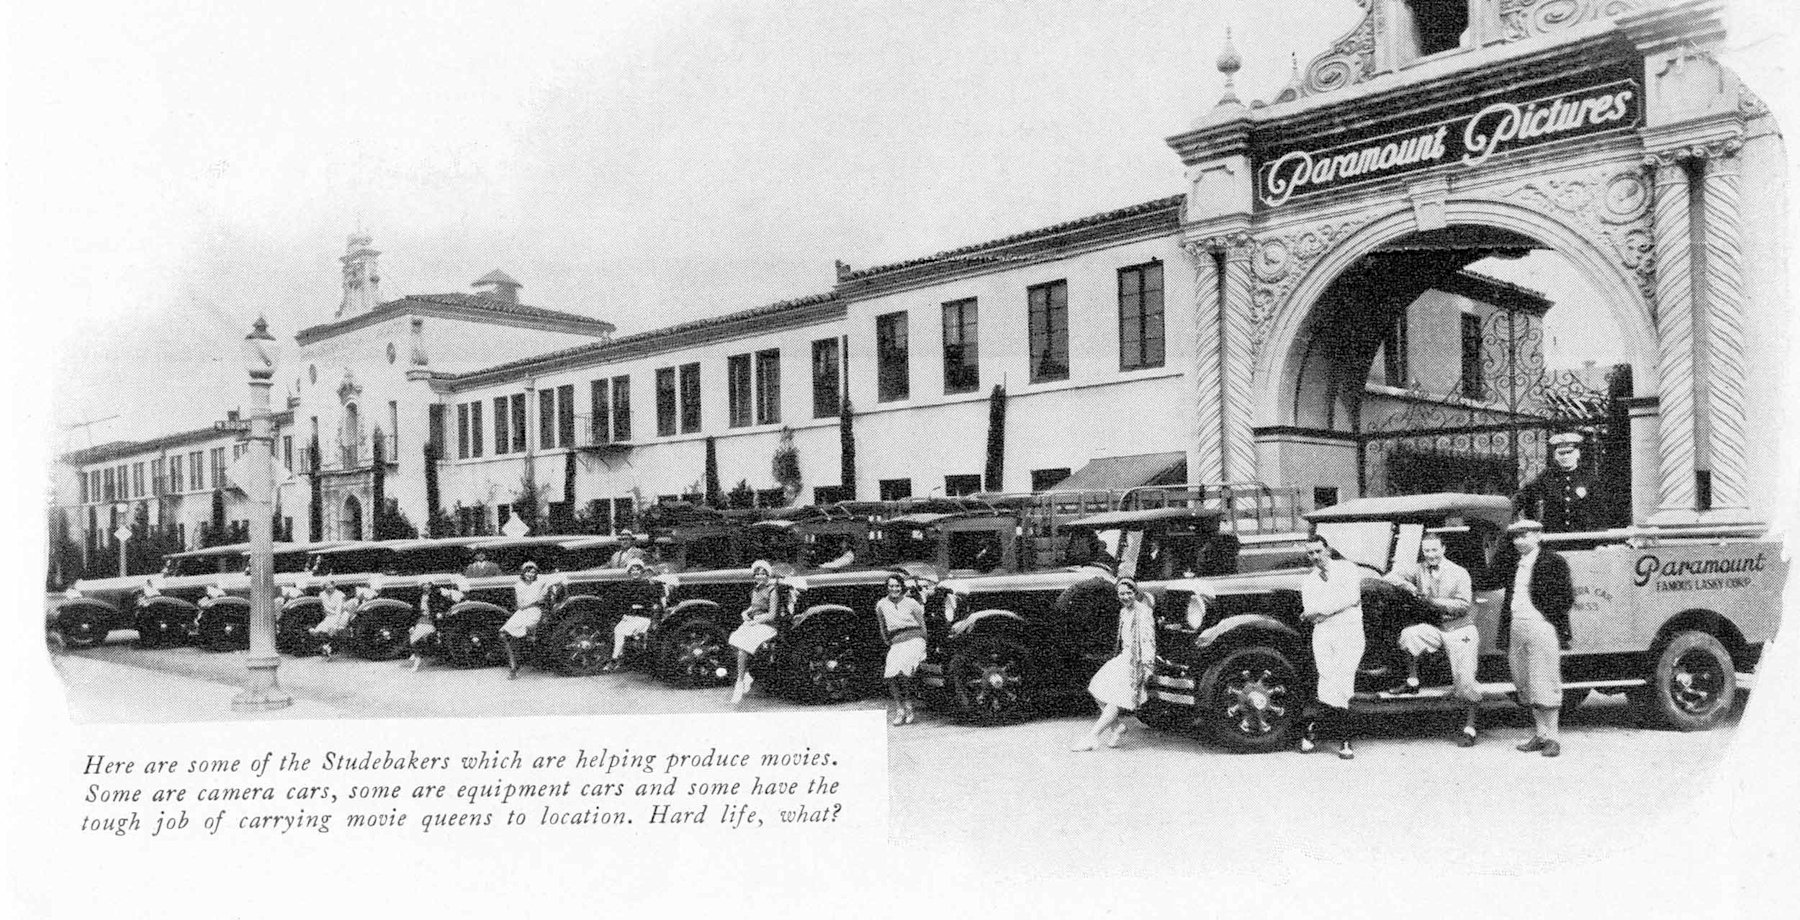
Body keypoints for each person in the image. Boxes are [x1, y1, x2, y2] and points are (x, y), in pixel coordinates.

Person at [1384, 533, 1483, 746]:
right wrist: (1412, 589)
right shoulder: (1419, 569)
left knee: (1465, 680)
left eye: (1434, 550)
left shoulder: (1459, 572)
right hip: (1437, 628)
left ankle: (1470, 727)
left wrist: (1432, 602)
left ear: (1443, 549)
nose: (1430, 555)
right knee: (1410, 634)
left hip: (1460, 629)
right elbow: (1391, 577)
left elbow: (1463, 605)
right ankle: (1412, 680)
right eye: (1427, 551)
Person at [1499, 519, 1574, 757]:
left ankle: (1553, 737)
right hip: (1516, 626)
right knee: (1525, 681)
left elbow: (1566, 597)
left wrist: (1545, 615)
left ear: (1539, 536)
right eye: (1516, 537)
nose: (1520, 541)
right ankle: (1540, 734)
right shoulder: (1513, 562)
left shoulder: (1553, 561)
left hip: (1540, 626)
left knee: (1544, 681)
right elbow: (1490, 577)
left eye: (1526, 535)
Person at [1071, 577, 1156, 751]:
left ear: (1135, 593)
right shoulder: (1123, 612)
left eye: (1129, 593)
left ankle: (1092, 737)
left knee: (1114, 700)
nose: (1125, 597)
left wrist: (1147, 666)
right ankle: (1117, 727)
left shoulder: (1143, 612)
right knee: (1097, 689)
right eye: (1121, 594)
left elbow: (1148, 641)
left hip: (1136, 662)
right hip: (1124, 657)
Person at [1299, 534, 1365, 760]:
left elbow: (1352, 597)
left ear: (1327, 549)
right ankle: (1340, 737)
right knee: (1326, 680)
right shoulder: (1309, 581)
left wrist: (1323, 610)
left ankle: (1318, 731)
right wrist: (1330, 609)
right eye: (1311, 553)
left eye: (1318, 551)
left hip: (1349, 631)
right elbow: (1309, 611)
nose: (1316, 556)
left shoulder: (1347, 569)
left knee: (1343, 680)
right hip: (1324, 633)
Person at [1512, 431, 1599, 533]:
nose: (1565, 457)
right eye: (1561, 453)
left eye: (1569, 452)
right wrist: (1507, 513)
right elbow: (1524, 495)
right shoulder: (1547, 477)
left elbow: (1599, 512)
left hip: (1583, 538)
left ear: (1577, 453)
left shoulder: (1588, 478)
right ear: (1555, 456)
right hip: (1553, 538)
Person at [876, 572, 928, 725]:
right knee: (891, 672)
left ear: (902, 587)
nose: (894, 589)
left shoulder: (912, 603)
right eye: (891, 586)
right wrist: (888, 641)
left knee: (904, 670)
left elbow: (922, 625)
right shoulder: (881, 605)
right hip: (897, 642)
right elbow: (882, 626)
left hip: (915, 639)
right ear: (887, 588)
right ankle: (899, 708)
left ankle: (909, 706)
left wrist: (924, 644)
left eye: (897, 586)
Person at [728, 560, 779, 704]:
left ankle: (740, 681)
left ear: (767, 575)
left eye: (763, 574)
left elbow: (772, 615)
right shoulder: (756, 589)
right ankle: (747, 673)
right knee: (734, 640)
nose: (760, 577)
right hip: (754, 622)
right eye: (757, 574)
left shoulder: (772, 590)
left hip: (767, 625)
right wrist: (746, 613)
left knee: (743, 647)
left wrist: (756, 621)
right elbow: (753, 606)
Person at [602, 560, 660, 672]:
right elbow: (623, 602)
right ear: (629, 572)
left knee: (621, 630)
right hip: (630, 617)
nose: (635, 572)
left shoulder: (648, 585)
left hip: (644, 617)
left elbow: (652, 602)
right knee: (617, 630)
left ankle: (615, 659)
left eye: (637, 570)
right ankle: (618, 658)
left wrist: (639, 608)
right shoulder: (626, 586)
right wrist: (625, 613)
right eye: (632, 570)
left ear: (642, 571)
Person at [500, 561, 548, 679]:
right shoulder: (519, 585)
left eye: (533, 572)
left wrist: (536, 601)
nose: (530, 575)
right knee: (504, 633)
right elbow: (520, 605)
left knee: (523, 632)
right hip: (522, 613)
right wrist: (534, 600)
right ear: (523, 573)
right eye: (528, 572)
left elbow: (552, 582)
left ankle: (517, 665)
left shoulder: (540, 583)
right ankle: (513, 664)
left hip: (534, 612)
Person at [308, 578, 354, 661]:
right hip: (329, 617)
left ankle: (329, 648)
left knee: (332, 628)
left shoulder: (340, 595)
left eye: (331, 586)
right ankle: (326, 647)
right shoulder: (322, 595)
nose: (329, 588)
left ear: (334, 586)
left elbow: (339, 611)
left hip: (341, 616)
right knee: (319, 630)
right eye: (327, 586)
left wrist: (335, 623)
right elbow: (321, 608)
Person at [405, 580, 438, 672]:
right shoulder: (418, 598)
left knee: (419, 638)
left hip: (431, 621)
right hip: (420, 620)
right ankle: (417, 658)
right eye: (424, 584)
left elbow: (439, 609)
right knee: (414, 638)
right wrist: (412, 625)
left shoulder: (435, 596)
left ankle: (417, 660)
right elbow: (414, 612)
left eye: (428, 584)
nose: (426, 586)